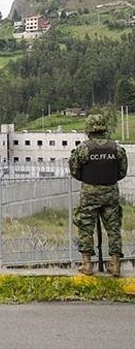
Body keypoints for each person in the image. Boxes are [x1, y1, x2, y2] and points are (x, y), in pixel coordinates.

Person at [69, 114, 128, 277]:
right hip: (111, 193)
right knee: (113, 228)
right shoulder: (116, 148)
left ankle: (87, 264)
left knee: (85, 227)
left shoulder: (84, 148)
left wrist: (89, 181)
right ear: (104, 128)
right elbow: (122, 172)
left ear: (88, 129)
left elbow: (74, 170)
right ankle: (115, 264)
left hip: (89, 194)